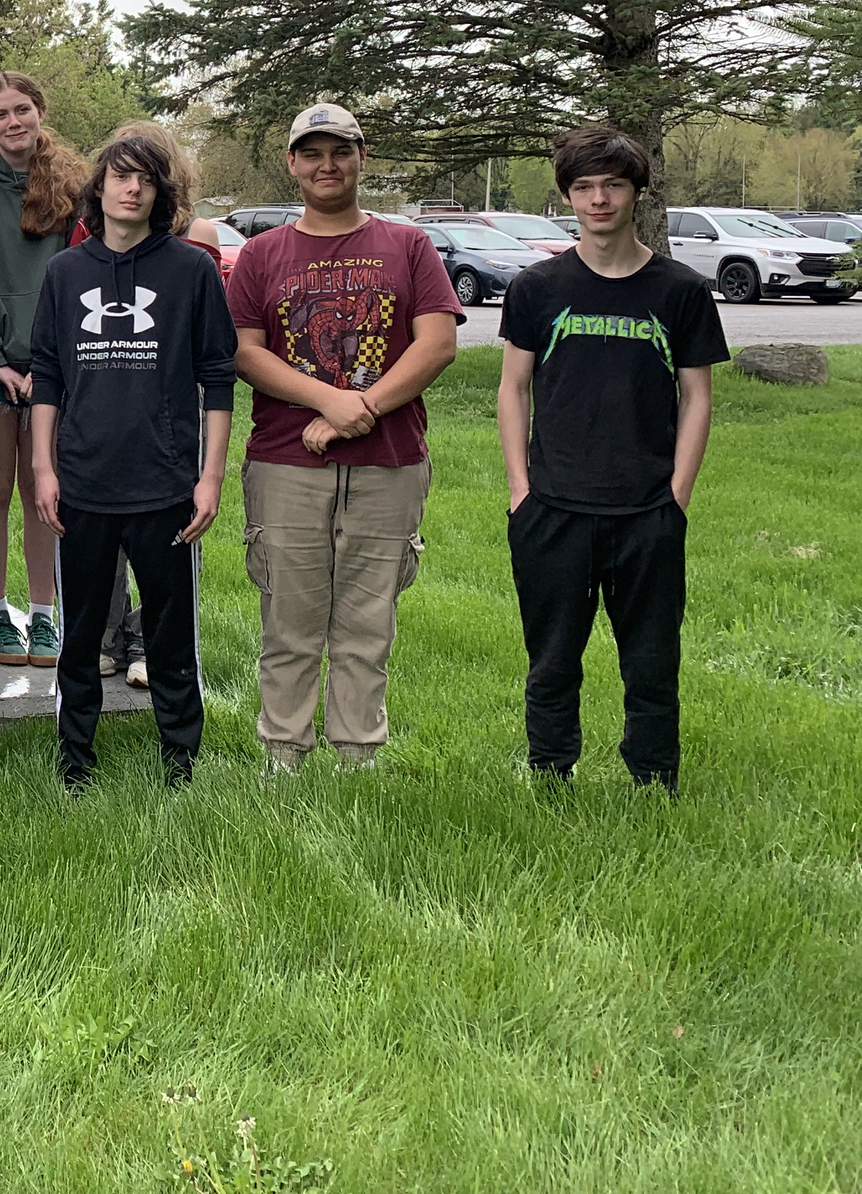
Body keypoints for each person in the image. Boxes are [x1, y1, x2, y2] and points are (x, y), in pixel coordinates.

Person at [227, 102, 462, 772]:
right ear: (293, 163)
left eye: (340, 151)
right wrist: (329, 399)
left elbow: (438, 342)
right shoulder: (264, 253)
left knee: (366, 621)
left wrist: (362, 408)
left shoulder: (407, 245)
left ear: (363, 157)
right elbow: (246, 351)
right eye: (312, 152)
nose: (326, 164)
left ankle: (359, 755)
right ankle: (283, 753)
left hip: (388, 462)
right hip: (285, 462)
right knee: (290, 620)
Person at [496, 126, 725, 792]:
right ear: (568, 195)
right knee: (552, 660)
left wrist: (676, 495)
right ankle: (549, 773)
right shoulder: (538, 287)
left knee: (653, 660)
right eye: (585, 186)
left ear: (635, 192)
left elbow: (698, 396)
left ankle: (654, 780)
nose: (599, 198)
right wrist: (521, 488)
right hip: (554, 510)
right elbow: (512, 388)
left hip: (647, 510)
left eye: (613, 185)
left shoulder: (679, 290)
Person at [29, 133, 236, 791]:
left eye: (146, 178)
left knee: (172, 637)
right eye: (120, 176)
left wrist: (211, 476)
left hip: (168, 485)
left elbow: (220, 378)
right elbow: (47, 378)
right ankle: (75, 761)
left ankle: (181, 760)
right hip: (83, 484)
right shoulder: (66, 274)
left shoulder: (192, 271)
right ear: (100, 186)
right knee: (82, 633)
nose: (132, 188)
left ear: (159, 191)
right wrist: (43, 468)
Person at [0, 72, 85, 672]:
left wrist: (50, 363)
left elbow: (79, 274)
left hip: (55, 367)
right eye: (1, 114)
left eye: (23, 110)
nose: (14, 122)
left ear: (40, 112)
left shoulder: (71, 185)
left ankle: (43, 612)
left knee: (43, 492)